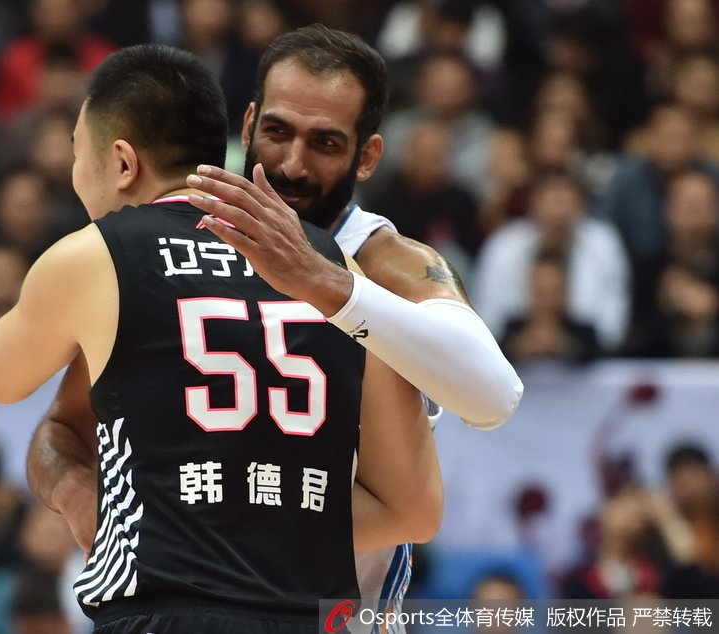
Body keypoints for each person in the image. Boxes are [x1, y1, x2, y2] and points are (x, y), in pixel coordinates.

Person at [27, 24, 521, 632]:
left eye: (326, 144)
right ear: (248, 125)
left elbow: (495, 396)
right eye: (278, 132)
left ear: (367, 156)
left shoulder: (383, 262)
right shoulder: (163, 253)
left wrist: (326, 283)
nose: (292, 165)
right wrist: (79, 495)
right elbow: (60, 429)